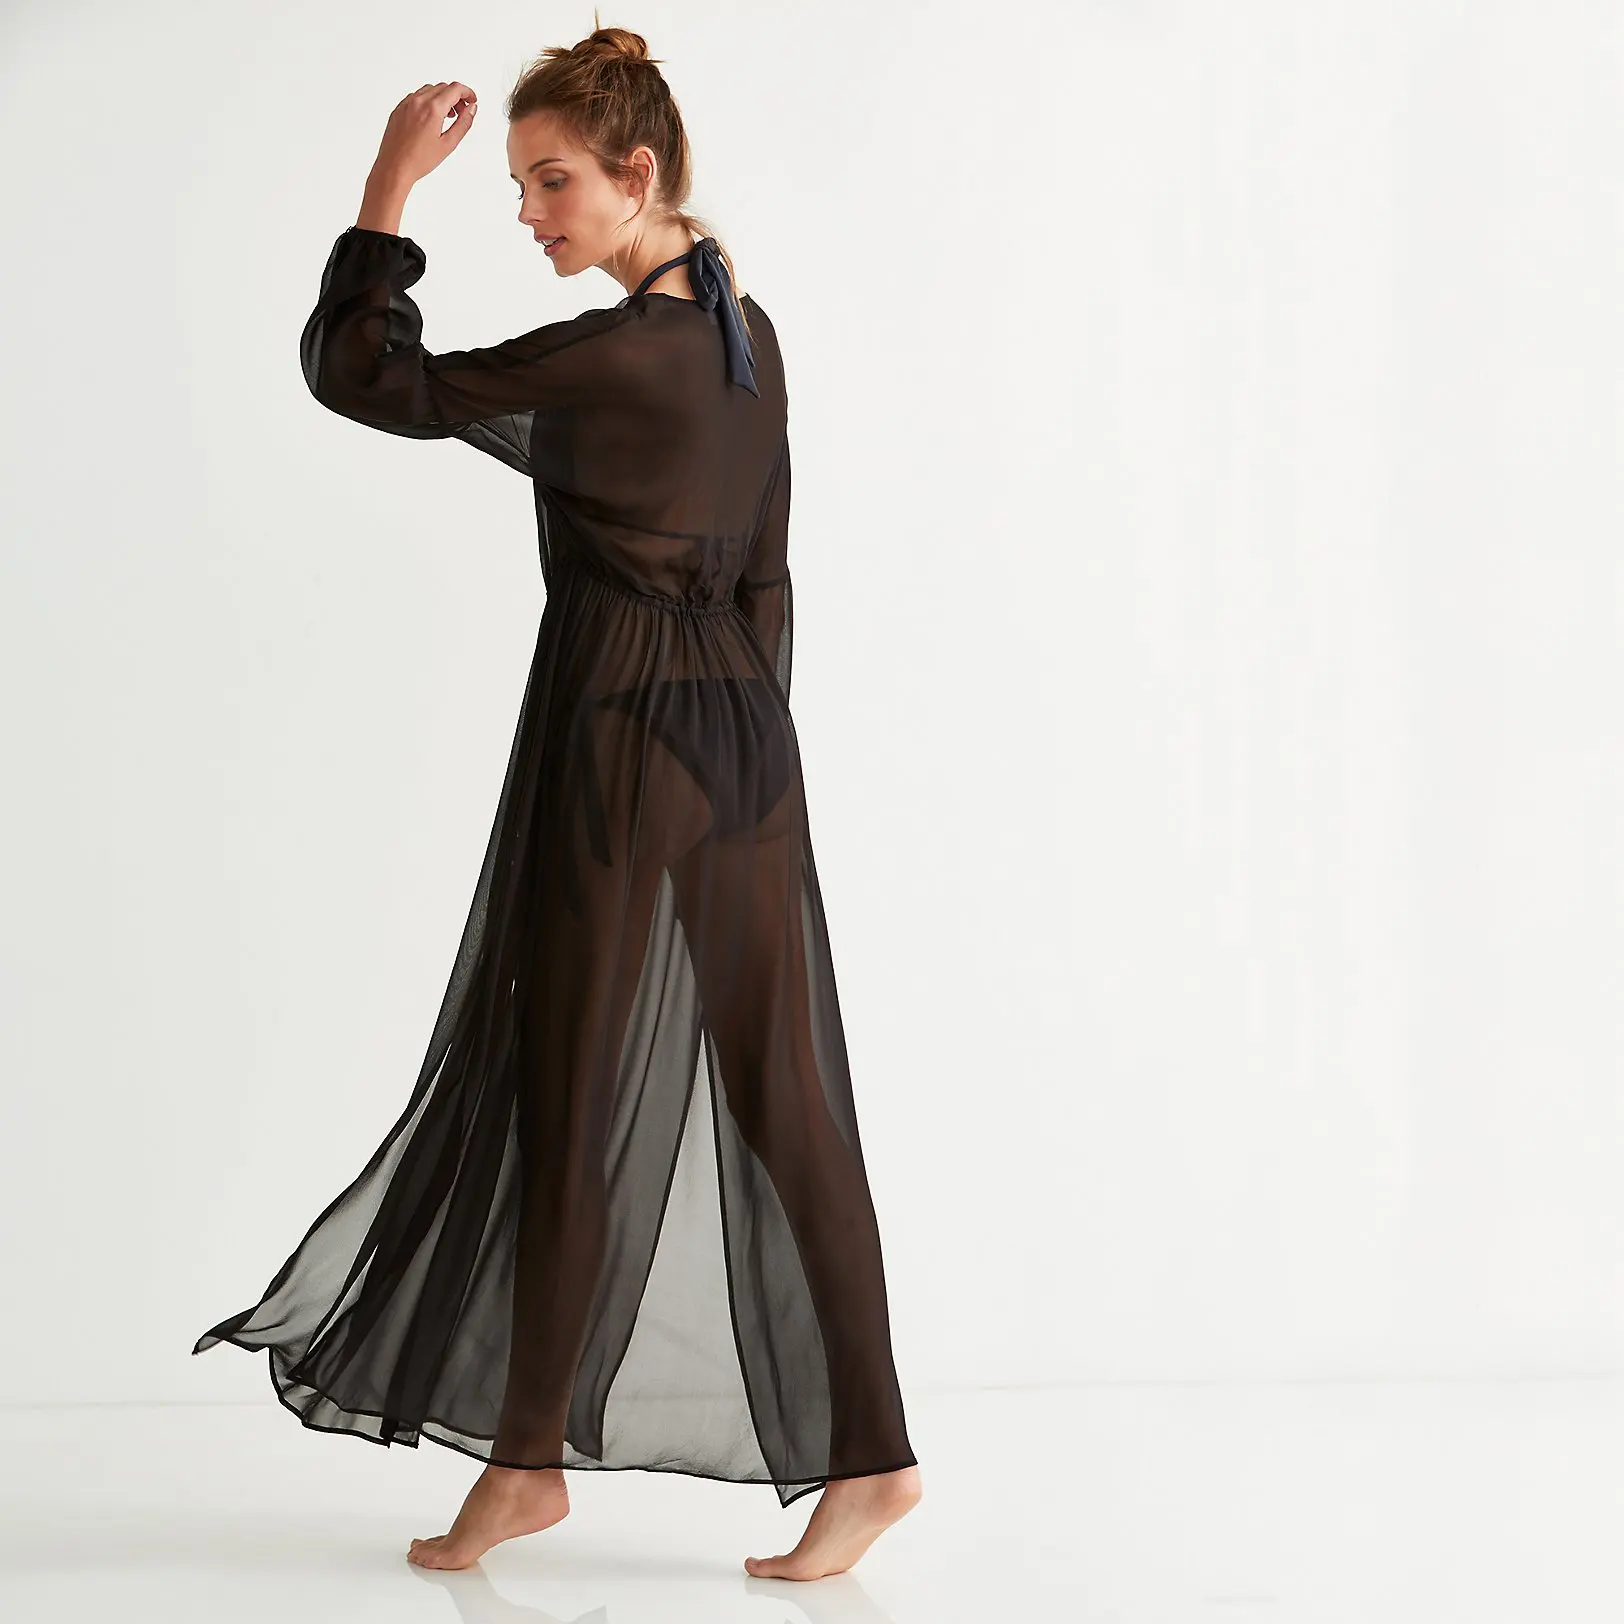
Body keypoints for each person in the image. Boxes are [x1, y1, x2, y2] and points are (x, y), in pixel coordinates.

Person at [191, 25, 922, 1581]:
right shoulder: (745, 337)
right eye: (518, 185)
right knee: (785, 1101)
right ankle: (870, 1460)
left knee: (567, 1090)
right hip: (740, 743)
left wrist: (389, 186)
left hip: (620, 746)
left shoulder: (622, 353)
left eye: (549, 182)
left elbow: (371, 377)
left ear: (636, 173)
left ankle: (527, 1465)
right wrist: (748, 746)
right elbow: (771, 567)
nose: (527, 213)